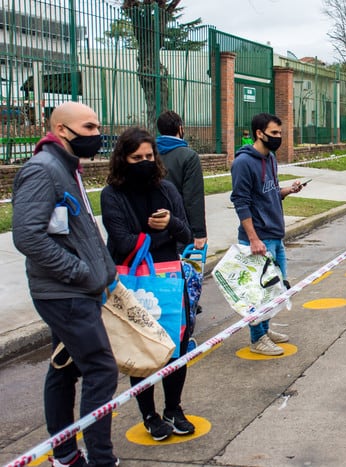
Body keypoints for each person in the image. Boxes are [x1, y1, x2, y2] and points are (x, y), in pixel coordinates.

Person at [12, 101, 119, 467]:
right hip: (65, 293)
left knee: (64, 369)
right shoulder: (43, 170)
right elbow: (28, 237)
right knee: (101, 369)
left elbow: (79, 227)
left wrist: (103, 269)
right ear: (61, 130)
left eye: (97, 127)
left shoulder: (67, 167)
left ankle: (65, 455)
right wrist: (81, 273)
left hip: (77, 290)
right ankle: (99, 460)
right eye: (89, 128)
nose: (97, 135)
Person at [101, 127, 195, 440]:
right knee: (141, 347)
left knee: (175, 346)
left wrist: (171, 224)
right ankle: (150, 415)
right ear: (122, 159)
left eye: (148, 156)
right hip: (132, 282)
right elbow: (123, 241)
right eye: (136, 157)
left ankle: (173, 407)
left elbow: (186, 235)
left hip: (169, 279)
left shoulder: (166, 189)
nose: (144, 161)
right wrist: (161, 235)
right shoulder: (112, 195)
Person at [230, 113, 303, 356]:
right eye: (274, 133)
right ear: (259, 133)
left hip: (275, 235)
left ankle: (265, 329)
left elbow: (268, 192)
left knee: (274, 289)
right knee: (258, 292)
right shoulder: (243, 163)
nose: (278, 138)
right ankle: (257, 338)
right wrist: (253, 238)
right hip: (259, 238)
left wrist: (287, 190)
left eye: (280, 133)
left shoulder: (270, 158)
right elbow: (241, 202)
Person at [156, 110, 207, 252]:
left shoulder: (149, 153)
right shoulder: (189, 157)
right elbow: (193, 198)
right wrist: (199, 233)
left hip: (154, 225)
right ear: (180, 128)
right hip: (180, 227)